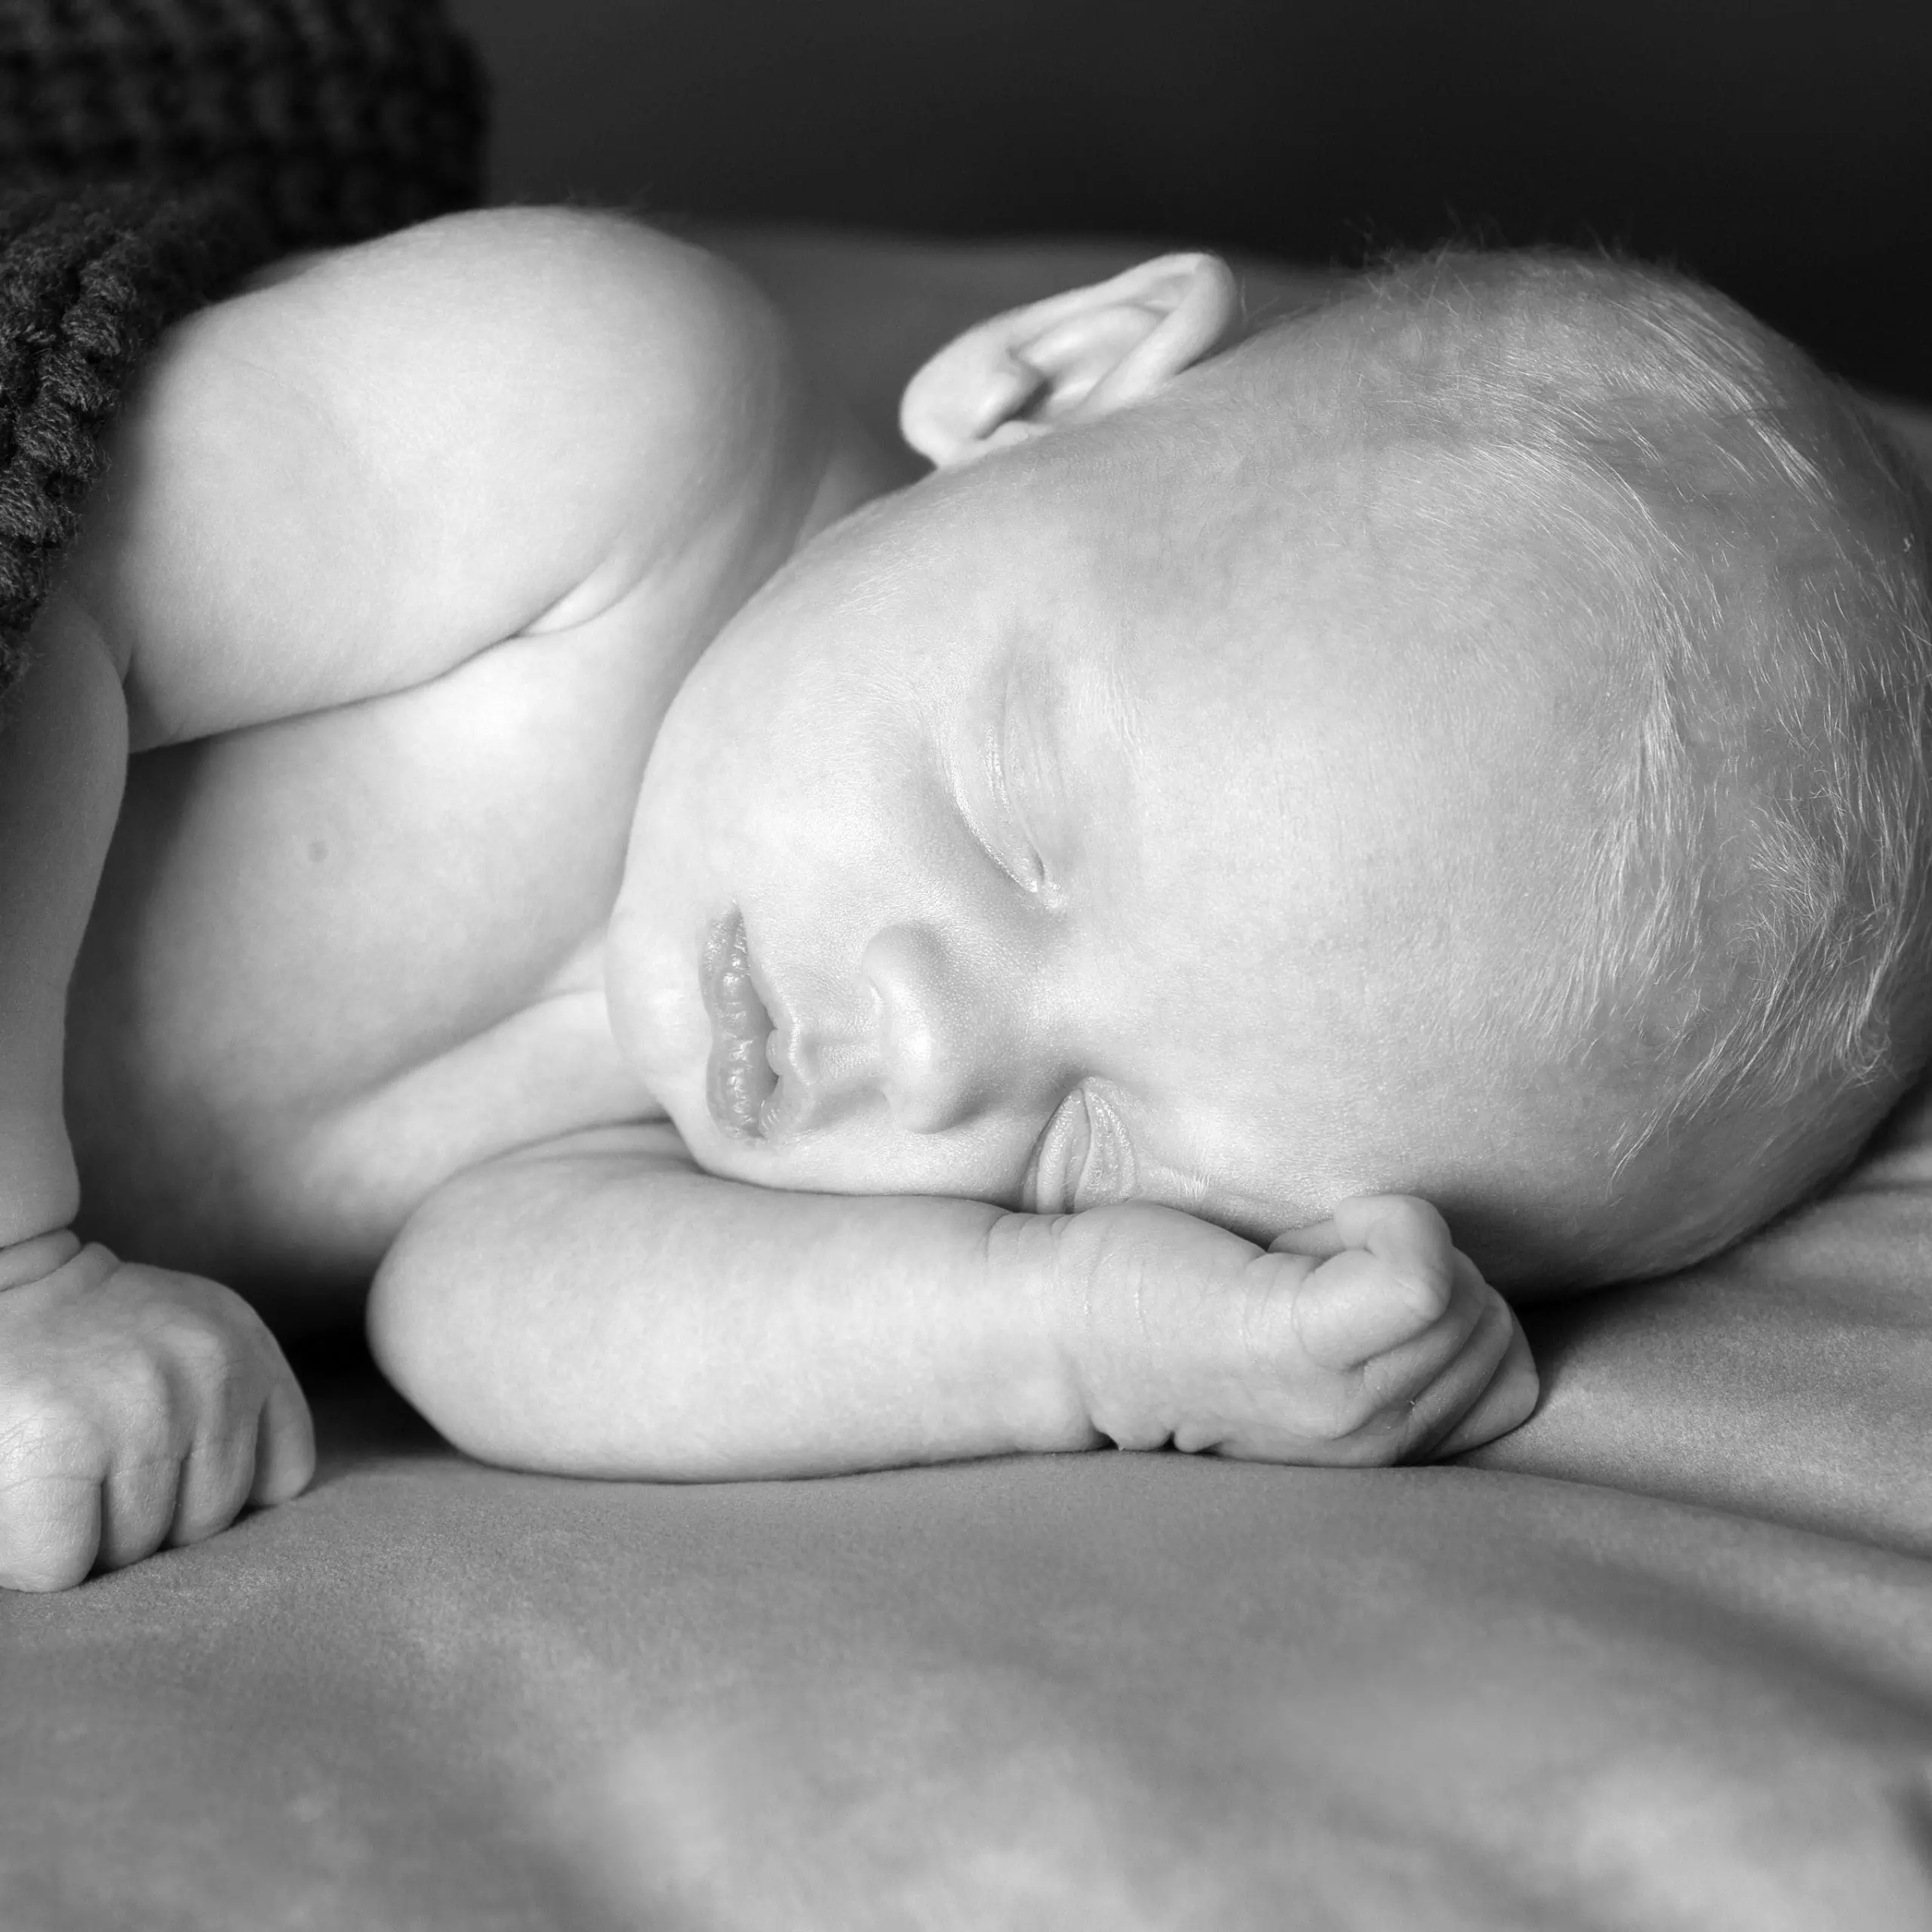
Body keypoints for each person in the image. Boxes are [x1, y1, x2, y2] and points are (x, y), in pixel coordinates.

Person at [2, 208, 1927, 1591]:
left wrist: (1077, 1327)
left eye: (1085, 1148)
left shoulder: (723, 1124)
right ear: (1045, 386)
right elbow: (29, 587)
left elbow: (476, 1314)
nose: (930, 1054)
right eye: (1014, 824)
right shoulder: (609, 425)